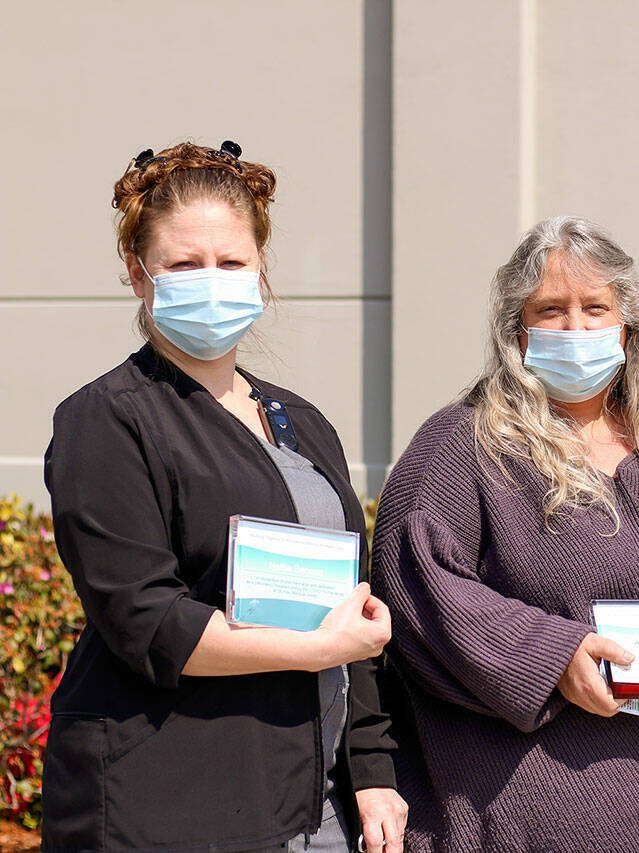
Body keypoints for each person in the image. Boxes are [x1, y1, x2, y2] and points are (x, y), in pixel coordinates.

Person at [371, 215, 639, 851]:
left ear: (629, 325)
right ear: (514, 331)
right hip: (527, 816)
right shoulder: (460, 445)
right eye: (551, 309)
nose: (576, 328)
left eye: (595, 307)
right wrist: (553, 659)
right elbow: (418, 584)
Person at [41, 141, 407, 853]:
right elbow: (145, 620)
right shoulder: (106, 419)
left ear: (260, 269)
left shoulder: (300, 421)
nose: (211, 280)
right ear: (138, 275)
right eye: (183, 264)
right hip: (169, 806)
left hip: (316, 806)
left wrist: (370, 767)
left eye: (232, 262)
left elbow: (347, 601)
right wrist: (316, 647)